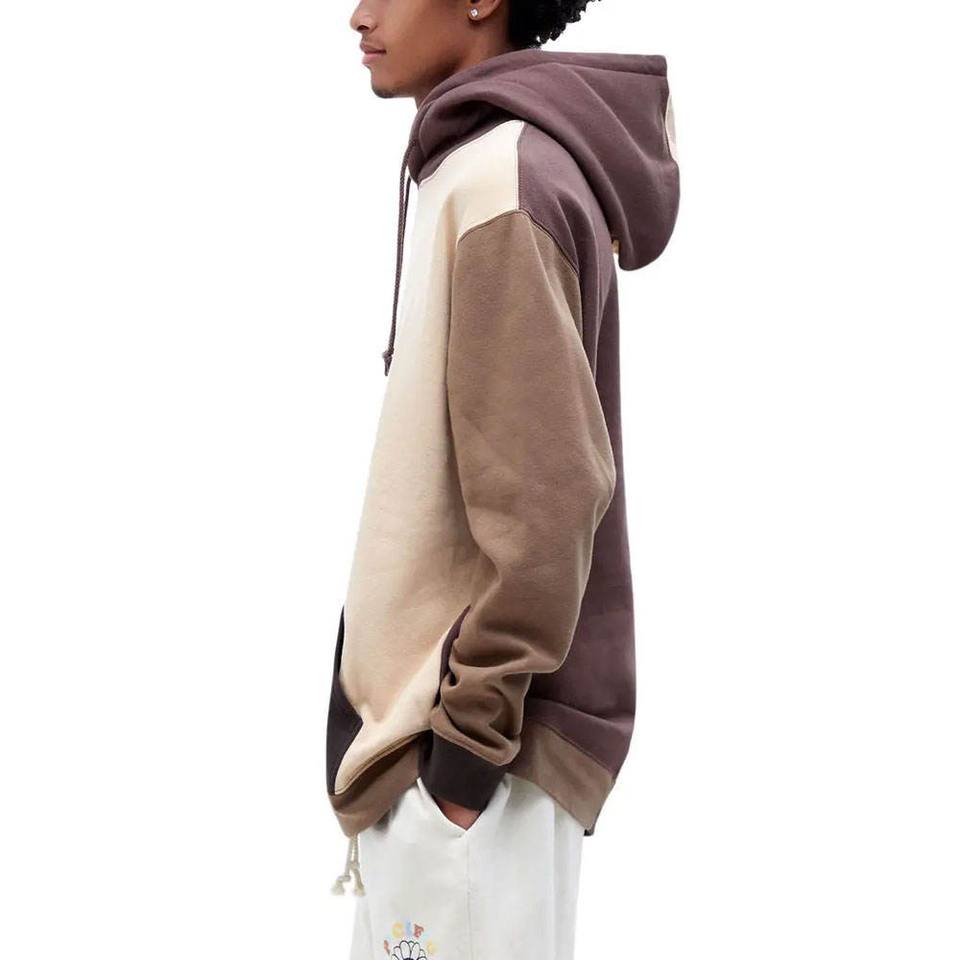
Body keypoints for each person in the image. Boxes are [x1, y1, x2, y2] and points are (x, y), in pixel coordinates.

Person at [327, 1, 680, 956]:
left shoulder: (502, 179)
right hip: (450, 757)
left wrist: (461, 763)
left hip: (475, 766)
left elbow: (548, 499)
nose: (358, 14)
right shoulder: (483, 169)